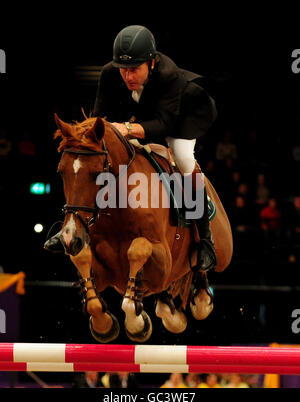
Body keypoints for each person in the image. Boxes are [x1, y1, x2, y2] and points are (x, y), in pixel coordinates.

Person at [46, 25, 217, 274]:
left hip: (182, 117)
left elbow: (163, 125)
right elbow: (98, 118)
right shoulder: (109, 73)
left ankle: (206, 241)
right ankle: (70, 227)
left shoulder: (169, 75)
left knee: (182, 158)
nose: (128, 77)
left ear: (151, 63)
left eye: (134, 69)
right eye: (123, 70)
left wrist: (125, 129)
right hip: (142, 114)